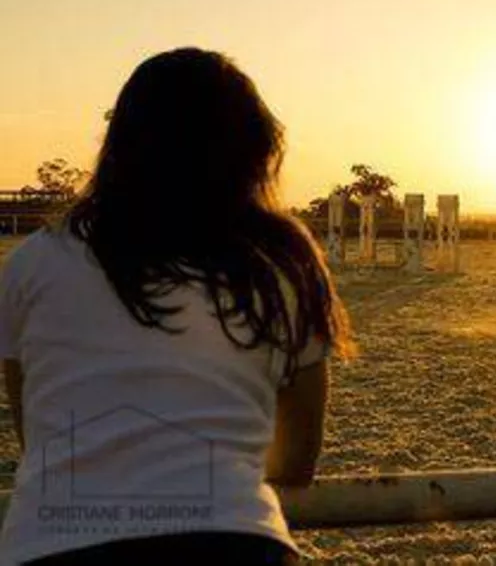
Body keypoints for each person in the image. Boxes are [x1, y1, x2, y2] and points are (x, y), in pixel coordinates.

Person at [0, 48, 355, 565]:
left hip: (54, 540)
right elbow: (297, 462)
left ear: (119, 144)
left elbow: (36, 432)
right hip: (234, 539)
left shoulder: (34, 262)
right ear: (253, 150)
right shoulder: (283, 261)